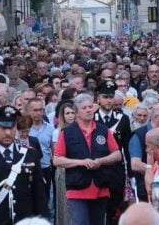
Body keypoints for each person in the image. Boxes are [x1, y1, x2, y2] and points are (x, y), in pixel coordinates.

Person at [53, 94, 122, 225]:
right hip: (77, 188)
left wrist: (101, 161)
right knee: (81, 222)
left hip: (101, 187)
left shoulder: (103, 130)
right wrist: (80, 162)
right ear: (77, 112)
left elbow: (117, 154)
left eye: (90, 107)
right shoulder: (67, 132)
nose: (89, 110)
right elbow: (57, 160)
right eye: (84, 108)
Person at [93, 80, 131, 224]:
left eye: (110, 97)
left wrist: (130, 174)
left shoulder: (123, 119)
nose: (108, 100)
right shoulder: (92, 118)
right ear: (98, 99)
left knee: (115, 209)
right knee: (97, 209)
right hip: (97, 169)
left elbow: (127, 148)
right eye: (105, 97)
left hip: (116, 170)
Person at [129, 102, 159, 201]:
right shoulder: (139, 135)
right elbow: (135, 164)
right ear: (155, 117)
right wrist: (156, 169)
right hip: (148, 190)